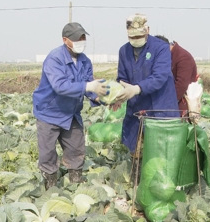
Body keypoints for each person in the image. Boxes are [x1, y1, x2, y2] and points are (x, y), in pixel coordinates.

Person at [33, 22, 109, 189]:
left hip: (71, 112)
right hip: (49, 112)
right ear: (65, 40)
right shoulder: (55, 58)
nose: (81, 41)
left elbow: (89, 83)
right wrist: (89, 86)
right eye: (77, 38)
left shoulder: (84, 60)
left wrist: (99, 97)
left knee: (76, 148)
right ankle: (50, 185)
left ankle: (75, 183)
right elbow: (60, 86)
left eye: (83, 37)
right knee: (47, 154)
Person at [112, 13, 179, 156]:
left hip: (159, 108)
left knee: (162, 155)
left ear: (147, 30)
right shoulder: (124, 51)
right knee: (136, 154)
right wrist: (119, 94)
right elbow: (122, 78)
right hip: (137, 109)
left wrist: (136, 88)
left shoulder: (161, 48)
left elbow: (159, 77)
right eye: (132, 37)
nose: (136, 40)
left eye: (139, 36)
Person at [155, 35, 198, 116]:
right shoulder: (169, 56)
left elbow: (181, 86)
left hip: (181, 106)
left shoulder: (183, 58)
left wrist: (165, 104)